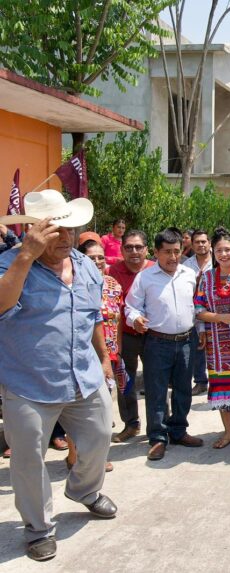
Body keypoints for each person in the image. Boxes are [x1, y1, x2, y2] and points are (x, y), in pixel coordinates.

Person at [0, 190, 116, 561]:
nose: (67, 237)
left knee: (100, 435)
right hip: (27, 384)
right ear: (36, 231)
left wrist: (103, 358)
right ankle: (38, 528)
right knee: (28, 459)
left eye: (71, 229)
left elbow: (91, 316)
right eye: (58, 230)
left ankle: (84, 490)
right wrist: (25, 255)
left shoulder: (83, 265)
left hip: (82, 376)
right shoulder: (9, 263)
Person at [126, 228, 203, 461]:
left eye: (177, 251)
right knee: (156, 392)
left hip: (187, 340)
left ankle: (179, 431)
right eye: (167, 252)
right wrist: (135, 319)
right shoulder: (145, 278)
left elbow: (197, 306)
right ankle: (158, 438)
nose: (172, 257)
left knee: (183, 390)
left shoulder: (189, 274)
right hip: (157, 343)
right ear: (157, 253)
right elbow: (130, 306)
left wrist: (201, 333)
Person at [194, 230, 230, 449]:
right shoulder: (207, 278)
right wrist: (221, 318)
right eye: (218, 250)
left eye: (228, 249)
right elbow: (198, 310)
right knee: (223, 386)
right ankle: (228, 431)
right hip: (217, 344)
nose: (223, 254)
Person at [70, 240, 125, 472]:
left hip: (108, 355)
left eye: (101, 257)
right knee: (77, 410)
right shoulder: (74, 283)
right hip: (82, 356)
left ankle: (97, 457)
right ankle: (74, 457)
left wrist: (117, 352)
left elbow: (118, 319)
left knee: (101, 411)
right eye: (91, 257)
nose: (97, 262)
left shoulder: (113, 284)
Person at [107, 230, 154, 443]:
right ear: (122, 250)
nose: (134, 252)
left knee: (157, 381)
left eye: (138, 247)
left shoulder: (156, 269)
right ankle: (131, 423)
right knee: (124, 381)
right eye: (128, 247)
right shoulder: (113, 272)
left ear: (146, 249)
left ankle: (161, 425)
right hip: (125, 336)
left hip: (154, 336)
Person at [184, 229, 213, 397]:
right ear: (192, 245)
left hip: (217, 309)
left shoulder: (218, 260)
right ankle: (201, 381)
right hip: (195, 310)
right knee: (198, 346)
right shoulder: (186, 266)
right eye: (197, 242)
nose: (201, 245)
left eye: (204, 241)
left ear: (209, 243)